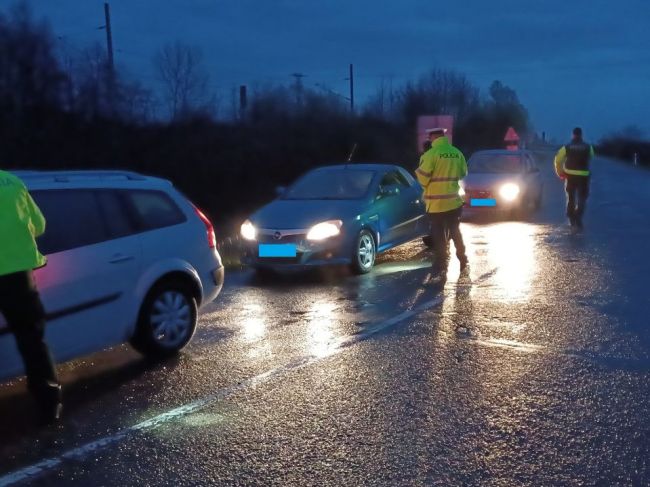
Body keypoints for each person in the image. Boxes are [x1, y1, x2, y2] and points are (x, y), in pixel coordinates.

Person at [0, 169, 62, 424]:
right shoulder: (13, 181)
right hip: (18, 276)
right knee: (32, 340)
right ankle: (49, 403)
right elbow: (39, 225)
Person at [415, 128, 468, 278]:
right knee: (455, 231)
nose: (429, 139)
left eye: (430, 136)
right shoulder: (457, 153)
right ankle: (463, 259)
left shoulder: (430, 155)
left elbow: (423, 179)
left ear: (434, 136)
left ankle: (441, 264)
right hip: (454, 202)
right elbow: (463, 173)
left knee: (438, 235)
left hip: (437, 203)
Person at [553, 127, 595, 229]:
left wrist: (560, 173)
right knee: (582, 198)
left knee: (571, 198)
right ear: (581, 135)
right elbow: (592, 156)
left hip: (570, 176)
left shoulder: (567, 147)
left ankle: (571, 217)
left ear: (573, 135)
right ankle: (578, 216)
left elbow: (558, 159)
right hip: (583, 177)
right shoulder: (588, 147)